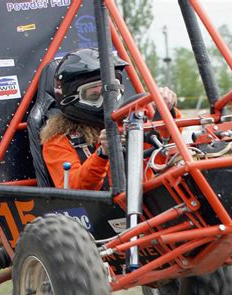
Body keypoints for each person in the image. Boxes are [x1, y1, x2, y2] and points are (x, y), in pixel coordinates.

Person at [41, 48, 178, 190]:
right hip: (102, 209)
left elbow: (164, 159)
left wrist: (166, 111)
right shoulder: (58, 140)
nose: (105, 103)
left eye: (110, 94)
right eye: (94, 96)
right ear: (70, 97)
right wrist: (102, 154)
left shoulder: (131, 120)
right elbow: (74, 189)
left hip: (147, 201)